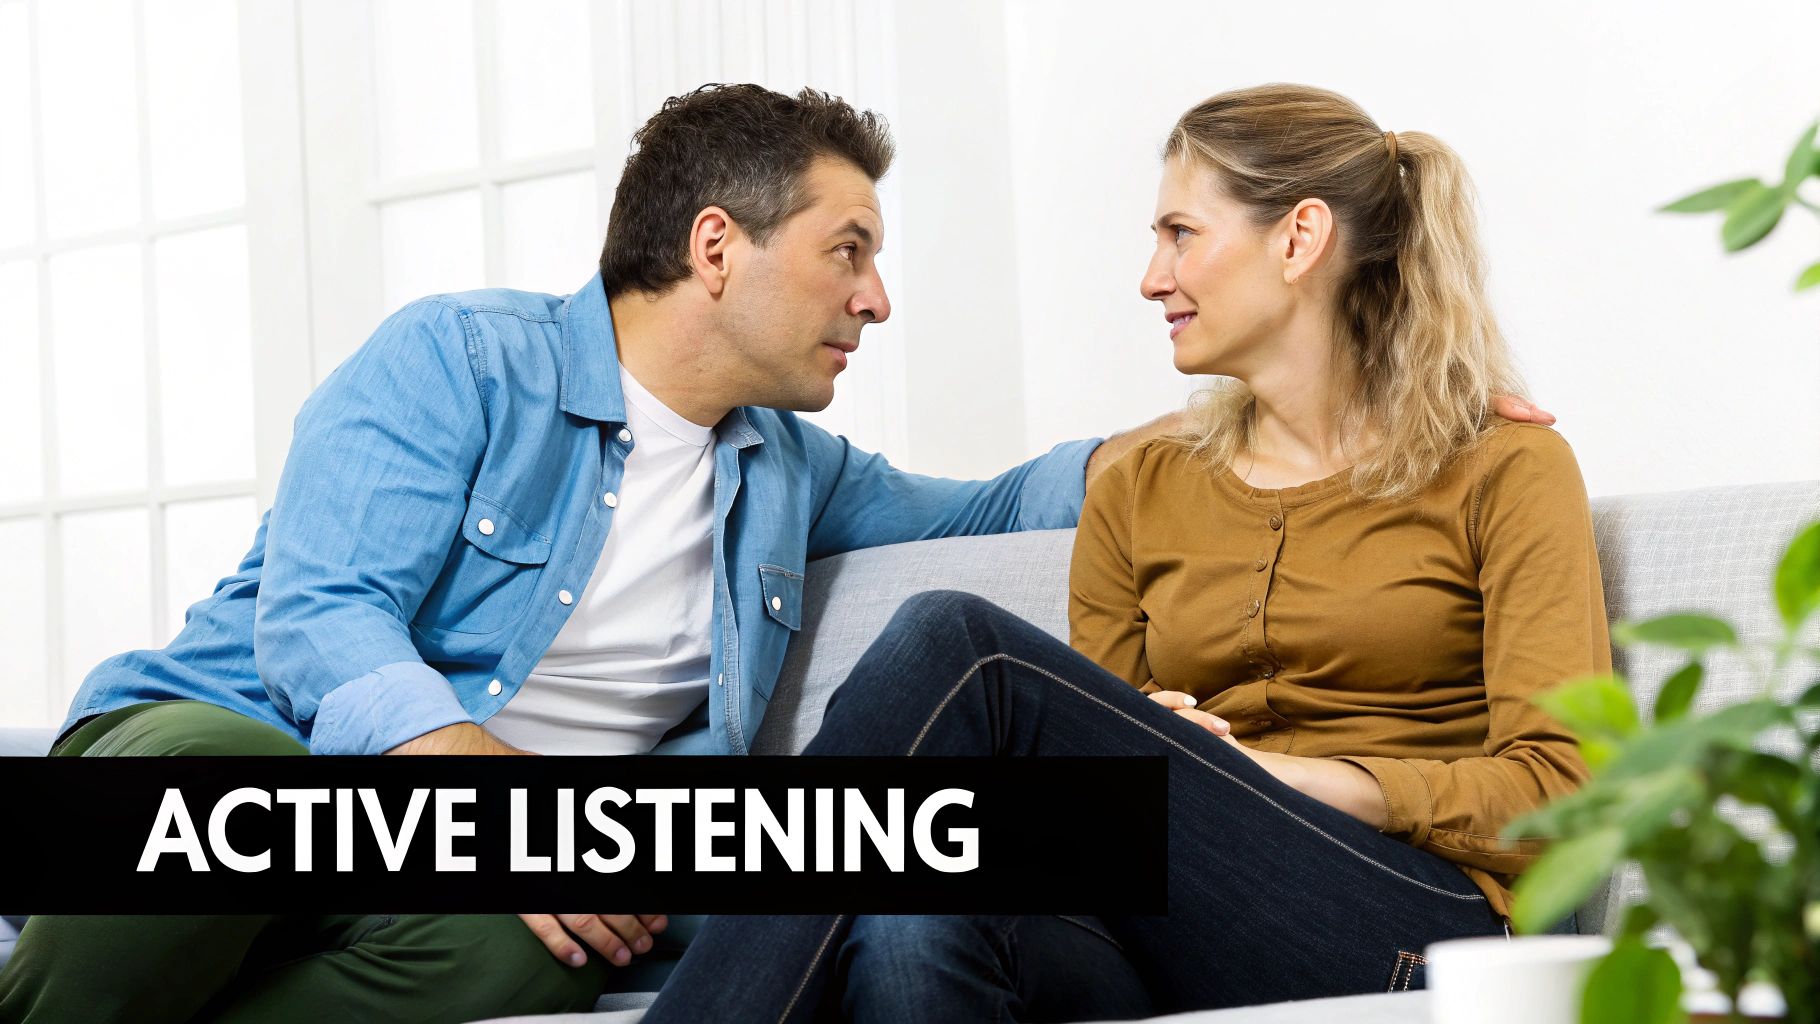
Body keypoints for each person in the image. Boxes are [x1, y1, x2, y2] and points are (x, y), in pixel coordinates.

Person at [639, 82, 1606, 1023]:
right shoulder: (1143, 490)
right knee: (908, 918)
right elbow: (1090, 820)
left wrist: (1286, 778)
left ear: (1300, 239)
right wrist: (1142, 738)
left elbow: (1563, 791)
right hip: (1172, 927)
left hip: (1409, 922)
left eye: (1180, 233)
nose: (1152, 277)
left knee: (962, 645)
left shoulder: (1505, 467)